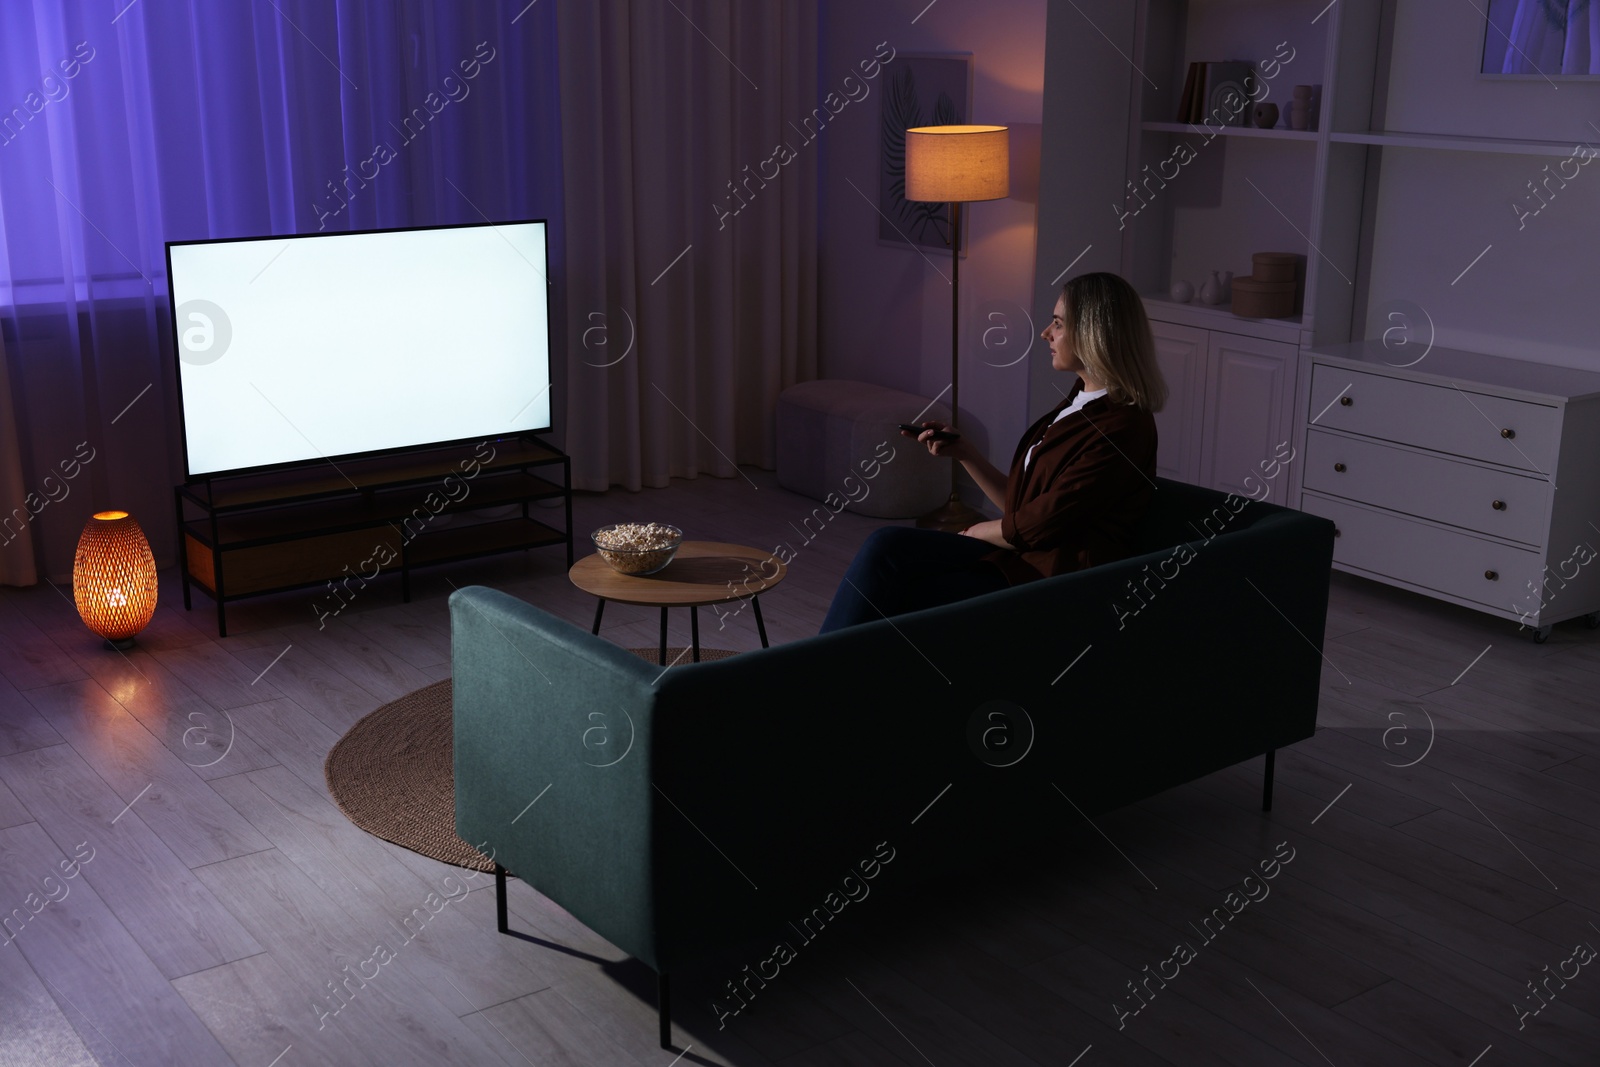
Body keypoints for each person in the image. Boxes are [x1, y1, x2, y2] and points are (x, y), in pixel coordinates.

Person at [818, 271, 1167, 633]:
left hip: (1053, 579)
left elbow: (1042, 523)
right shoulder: (1079, 401)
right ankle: (823, 672)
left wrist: (979, 531)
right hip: (1021, 555)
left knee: (900, 578)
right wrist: (965, 452)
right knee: (887, 549)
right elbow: (1023, 510)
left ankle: (813, 675)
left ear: (1094, 334)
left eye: (1059, 324)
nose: (1047, 333)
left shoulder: (1123, 427)